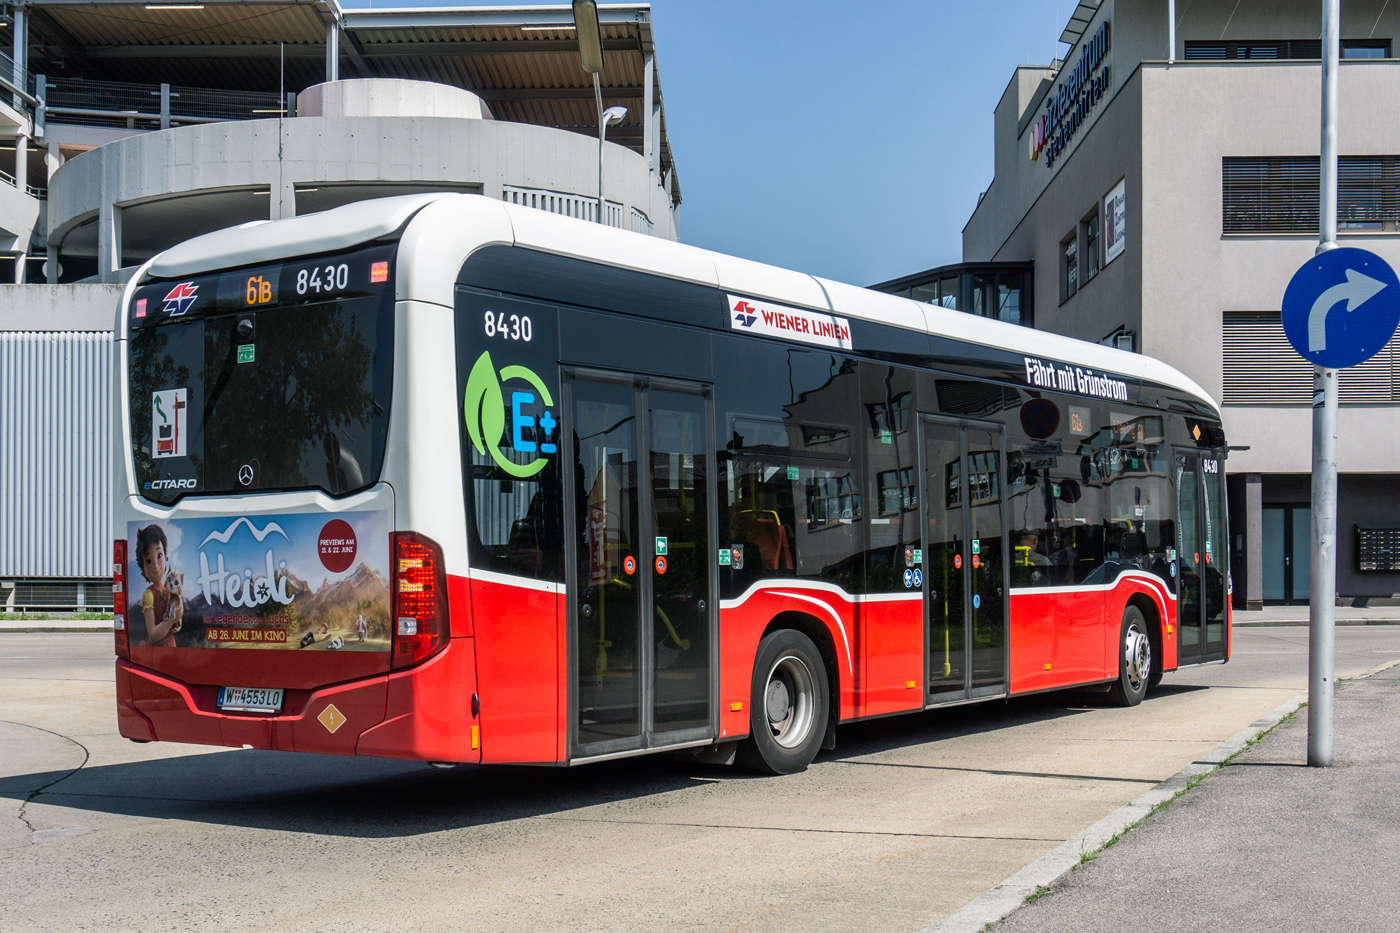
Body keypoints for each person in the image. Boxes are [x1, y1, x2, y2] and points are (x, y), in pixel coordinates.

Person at [136, 524, 182, 648]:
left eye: (159, 556)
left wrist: (177, 623)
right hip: (156, 650)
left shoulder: (169, 588)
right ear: (143, 568)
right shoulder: (149, 595)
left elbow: (176, 612)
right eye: (148, 561)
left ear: (166, 556)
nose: (155, 566)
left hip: (171, 644)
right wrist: (171, 621)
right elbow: (153, 634)